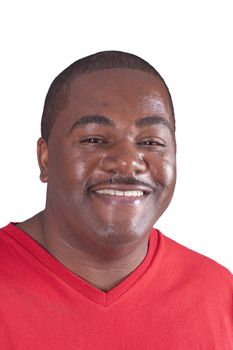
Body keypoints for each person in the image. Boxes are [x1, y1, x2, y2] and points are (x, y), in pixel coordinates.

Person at [0, 51, 232, 349]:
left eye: (151, 142)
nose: (127, 162)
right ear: (45, 158)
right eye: (94, 139)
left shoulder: (218, 294)